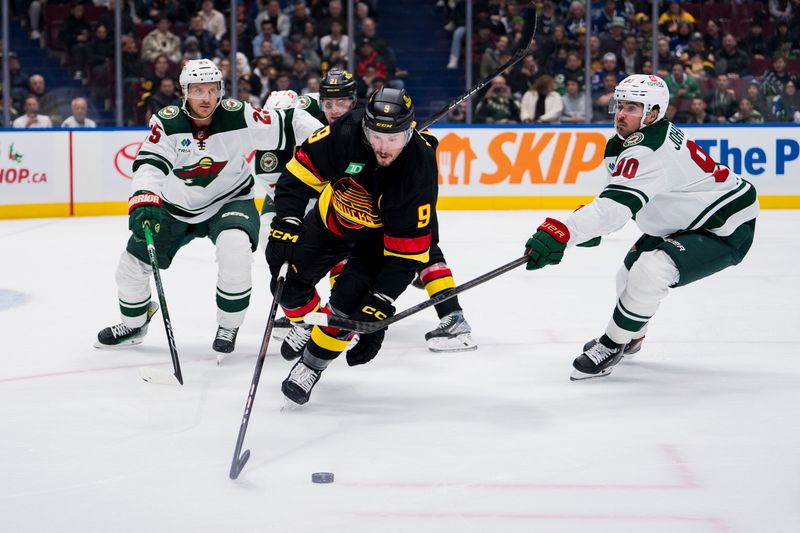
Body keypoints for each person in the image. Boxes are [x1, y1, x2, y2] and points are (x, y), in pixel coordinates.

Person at [522, 74, 758, 381]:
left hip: (724, 226)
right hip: (684, 220)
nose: (621, 113)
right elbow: (615, 198)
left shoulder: (648, 150)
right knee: (629, 272)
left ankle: (611, 344)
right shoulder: (628, 141)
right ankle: (631, 335)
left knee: (650, 270)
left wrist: (564, 232)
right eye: (621, 105)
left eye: (633, 107)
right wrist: (589, 227)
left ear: (654, 113)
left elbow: (614, 210)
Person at [94, 59, 322, 356]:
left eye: (212, 89)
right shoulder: (167, 122)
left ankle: (228, 324)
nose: (206, 98)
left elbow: (290, 121)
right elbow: (149, 165)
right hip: (174, 207)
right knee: (131, 266)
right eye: (197, 90)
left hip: (230, 200)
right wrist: (144, 200)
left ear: (221, 90)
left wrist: (331, 144)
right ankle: (134, 323)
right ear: (184, 92)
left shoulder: (238, 115)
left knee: (235, 249)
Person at [267, 87, 438, 405]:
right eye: (376, 137)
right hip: (328, 223)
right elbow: (298, 174)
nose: (383, 148)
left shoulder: (418, 169)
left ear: (409, 132)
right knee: (285, 289)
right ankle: (307, 323)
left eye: (393, 139)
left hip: (373, 244)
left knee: (347, 306)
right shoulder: (344, 131)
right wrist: (287, 222)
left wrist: (381, 300)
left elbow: (408, 254)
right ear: (365, 127)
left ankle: (310, 365)